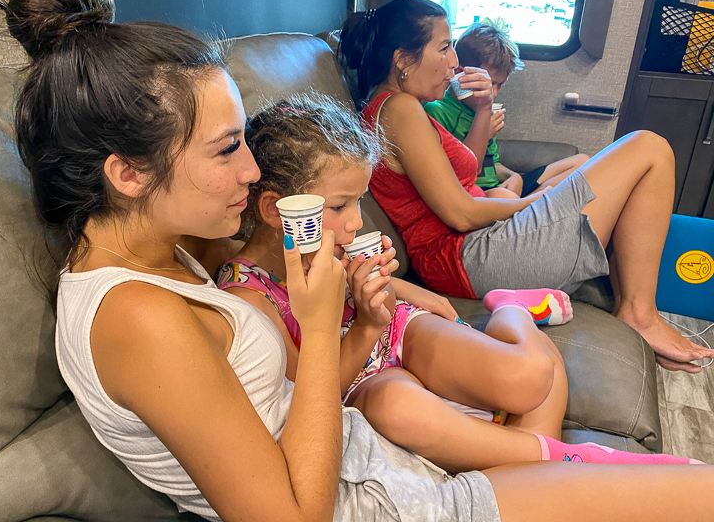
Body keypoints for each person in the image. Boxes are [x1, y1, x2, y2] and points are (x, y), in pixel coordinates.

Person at [0, 0, 714, 522]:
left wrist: (361, 290)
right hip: (379, 501)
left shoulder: (160, 249)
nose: (252, 172)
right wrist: (323, 317)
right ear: (127, 174)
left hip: (376, 465)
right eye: (226, 148)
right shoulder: (135, 317)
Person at [217, 95, 697, 472]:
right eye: (341, 205)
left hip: (399, 332)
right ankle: (555, 460)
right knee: (394, 407)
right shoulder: (249, 296)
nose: (356, 221)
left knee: (527, 380)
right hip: (358, 382)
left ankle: (509, 309)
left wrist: (396, 291)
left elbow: (382, 295)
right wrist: (365, 325)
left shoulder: (327, 245)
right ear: (276, 210)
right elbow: (310, 397)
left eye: (358, 201)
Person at [337, 0, 714, 374]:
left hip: (474, 245)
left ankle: (635, 308)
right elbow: (461, 213)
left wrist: (485, 111)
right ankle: (639, 313)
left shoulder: (402, 108)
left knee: (634, 159)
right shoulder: (398, 109)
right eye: (445, 47)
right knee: (649, 148)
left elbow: (465, 175)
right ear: (403, 59)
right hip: (465, 256)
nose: (454, 61)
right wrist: (534, 201)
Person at [423, 20, 589, 199]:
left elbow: (492, 163)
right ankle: (530, 205)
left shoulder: (482, 108)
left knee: (583, 163)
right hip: (477, 193)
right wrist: (483, 132)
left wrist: (512, 175)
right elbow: (460, 173)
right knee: (504, 196)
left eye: (499, 85)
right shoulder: (438, 111)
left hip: (498, 187)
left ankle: (529, 204)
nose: (494, 93)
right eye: (489, 83)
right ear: (459, 74)